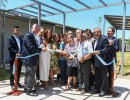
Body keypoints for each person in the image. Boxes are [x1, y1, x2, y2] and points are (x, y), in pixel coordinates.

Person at [22, 24, 46, 96]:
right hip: (30, 59)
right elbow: (31, 47)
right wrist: (41, 49)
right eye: (37, 30)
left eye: (39, 30)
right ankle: (29, 90)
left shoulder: (32, 36)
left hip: (31, 59)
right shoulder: (28, 36)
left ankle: (26, 88)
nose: (38, 31)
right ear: (33, 28)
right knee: (31, 75)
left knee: (28, 74)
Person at [92, 28, 109, 97]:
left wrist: (98, 52)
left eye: (97, 32)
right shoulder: (95, 40)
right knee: (97, 76)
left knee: (104, 76)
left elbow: (106, 49)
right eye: (95, 32)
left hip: (103, 61)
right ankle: (97, 89)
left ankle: (104, 91)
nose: (96, 33)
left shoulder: (104, 38)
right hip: (96, 61)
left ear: (100, 32)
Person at [8, 26, 23, 90]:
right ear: (13, 31)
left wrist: (21, 53)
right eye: (16, 30)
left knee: (19, 70)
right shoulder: (10, 38)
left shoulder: (21, 39)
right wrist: (16, 53)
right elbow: (10, 47)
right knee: (12, 71)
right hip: (13, 57)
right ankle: (12, 84)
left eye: (18, 30)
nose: (18, 31)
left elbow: (22, 47)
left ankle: (17, 82)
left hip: (20, 58)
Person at [107, 27, 119, 95]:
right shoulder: (105, 39)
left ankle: (111, 89)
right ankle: (105, 87)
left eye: (109, 31)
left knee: (111, 75)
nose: (108, 32)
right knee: (104, 74)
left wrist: (111, 45)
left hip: (112, 60)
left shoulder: (116, 39)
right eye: (107, 31)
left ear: (113, 32)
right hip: (104, 60)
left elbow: (117, 49)